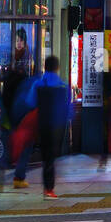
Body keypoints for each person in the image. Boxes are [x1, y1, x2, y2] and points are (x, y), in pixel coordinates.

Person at [26, 56, 70, 198]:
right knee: (52, 156)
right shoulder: (63, 85)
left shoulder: (38, 84)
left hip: (43, 123)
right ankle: (49, 188)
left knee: (46, 156)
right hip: (59, 124)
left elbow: (30, 102)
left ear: (45, 67)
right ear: (57, 68)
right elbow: (69, 108)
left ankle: (48, 187)